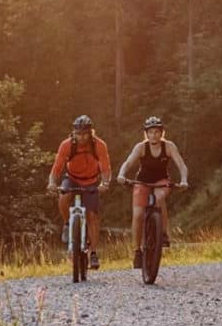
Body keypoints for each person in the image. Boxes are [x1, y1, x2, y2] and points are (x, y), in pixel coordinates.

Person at [117, 115, 189, 268]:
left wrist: (184, 180)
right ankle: (137, 251)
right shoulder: (141, 147)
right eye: (150, 132)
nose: (153, 135)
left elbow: (181, 165)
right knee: (137, 214)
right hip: (142, 182)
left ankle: (163, 233)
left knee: (159, 198)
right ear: (146, 133)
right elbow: (128, 162)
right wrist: (121, 174)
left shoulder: (169, 146)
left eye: (157, 132)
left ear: (162, 133)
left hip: (161, 181)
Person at [47, 115, 111, 269]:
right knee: (63, 196)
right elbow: (56, 168)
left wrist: (105, 183)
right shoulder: (67, 145)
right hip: (72, 178)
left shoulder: (99, 145)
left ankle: (94, 253)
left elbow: (105, 168)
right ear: (73, 133)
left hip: (91, 181)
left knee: (92, 216)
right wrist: (52, 183)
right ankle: (68, 223)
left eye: (85, 134)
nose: (81, 137)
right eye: (78, 134)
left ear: (91, 133)